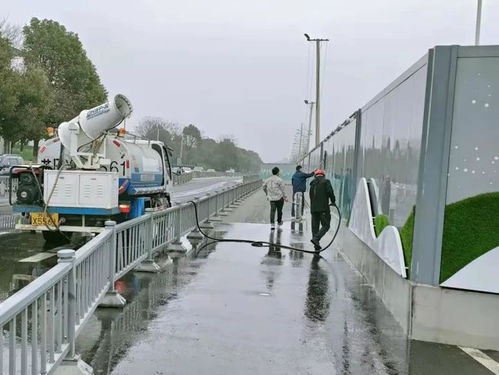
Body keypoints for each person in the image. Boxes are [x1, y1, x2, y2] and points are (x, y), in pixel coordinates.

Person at [309, 169, 336, 251]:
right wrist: (333, 201)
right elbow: (330, 192)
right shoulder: (326, 182)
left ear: (315, 176)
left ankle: (316, 246)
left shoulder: (312, 184)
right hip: (323, 208)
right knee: (326, 225)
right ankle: (316, 239)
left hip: (313, 209)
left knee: (315, 227)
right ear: (323, 175)